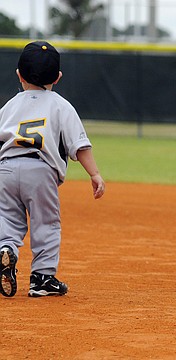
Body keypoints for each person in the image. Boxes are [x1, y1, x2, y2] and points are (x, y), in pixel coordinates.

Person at [0, 41, 106, 298]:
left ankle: (6, 249)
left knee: (6, 219)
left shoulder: (10, 106)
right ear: (57, 77)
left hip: (6, 170)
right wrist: (94, 174)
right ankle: (42, 278)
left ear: (19, 75)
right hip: (41, 171)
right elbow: (79, 146)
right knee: (45, 223)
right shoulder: (61, 105)